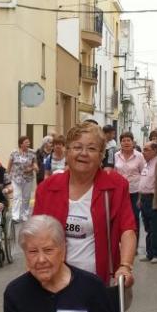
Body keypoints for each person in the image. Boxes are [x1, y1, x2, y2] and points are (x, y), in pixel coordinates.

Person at [33, 121, 136, 291]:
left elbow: (127, 229)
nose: (84, 153)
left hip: (99, 281)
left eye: (92, 148)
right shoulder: (47, 188)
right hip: (55, 280)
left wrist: (125, 266)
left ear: (101, 155)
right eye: (77, 147)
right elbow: (35, 236)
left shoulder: (115, 186)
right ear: (67, 152)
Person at [113, 131, 146, 242]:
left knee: (134, 217)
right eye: (123, 140)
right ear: (120, 143)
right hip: (119, 192)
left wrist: (141, 194)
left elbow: (144, 173)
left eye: (128, 140)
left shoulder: (139, 156)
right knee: (119, 217)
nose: (126, 143)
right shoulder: (116, 156)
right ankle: (121, 242)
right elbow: (114, 173)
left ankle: (134, 243)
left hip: (135, 192)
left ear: (133, 142)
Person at [138, 142, 157, 264]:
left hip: (154, 199)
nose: (143, 152)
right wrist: (140, 199)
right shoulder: (147, 162)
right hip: (144, 199)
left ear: (155, 150)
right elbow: (144, 181)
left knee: (156, 229)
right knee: (149, 229)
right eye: (143, 149)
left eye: (146, 149)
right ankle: (149, 253)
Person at [6, 136, 39, 223]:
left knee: (26, 197)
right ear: (21, 144)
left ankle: (25, 215)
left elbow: (35, 164)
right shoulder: (14, 153)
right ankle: (15, 216)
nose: (28, 143)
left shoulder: (32, 152)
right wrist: (7, 177)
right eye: (26, 142)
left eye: (29, 142)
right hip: (16, 178)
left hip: (28, 179)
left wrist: (33, 168)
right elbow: (9, 166)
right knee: (16, 196)